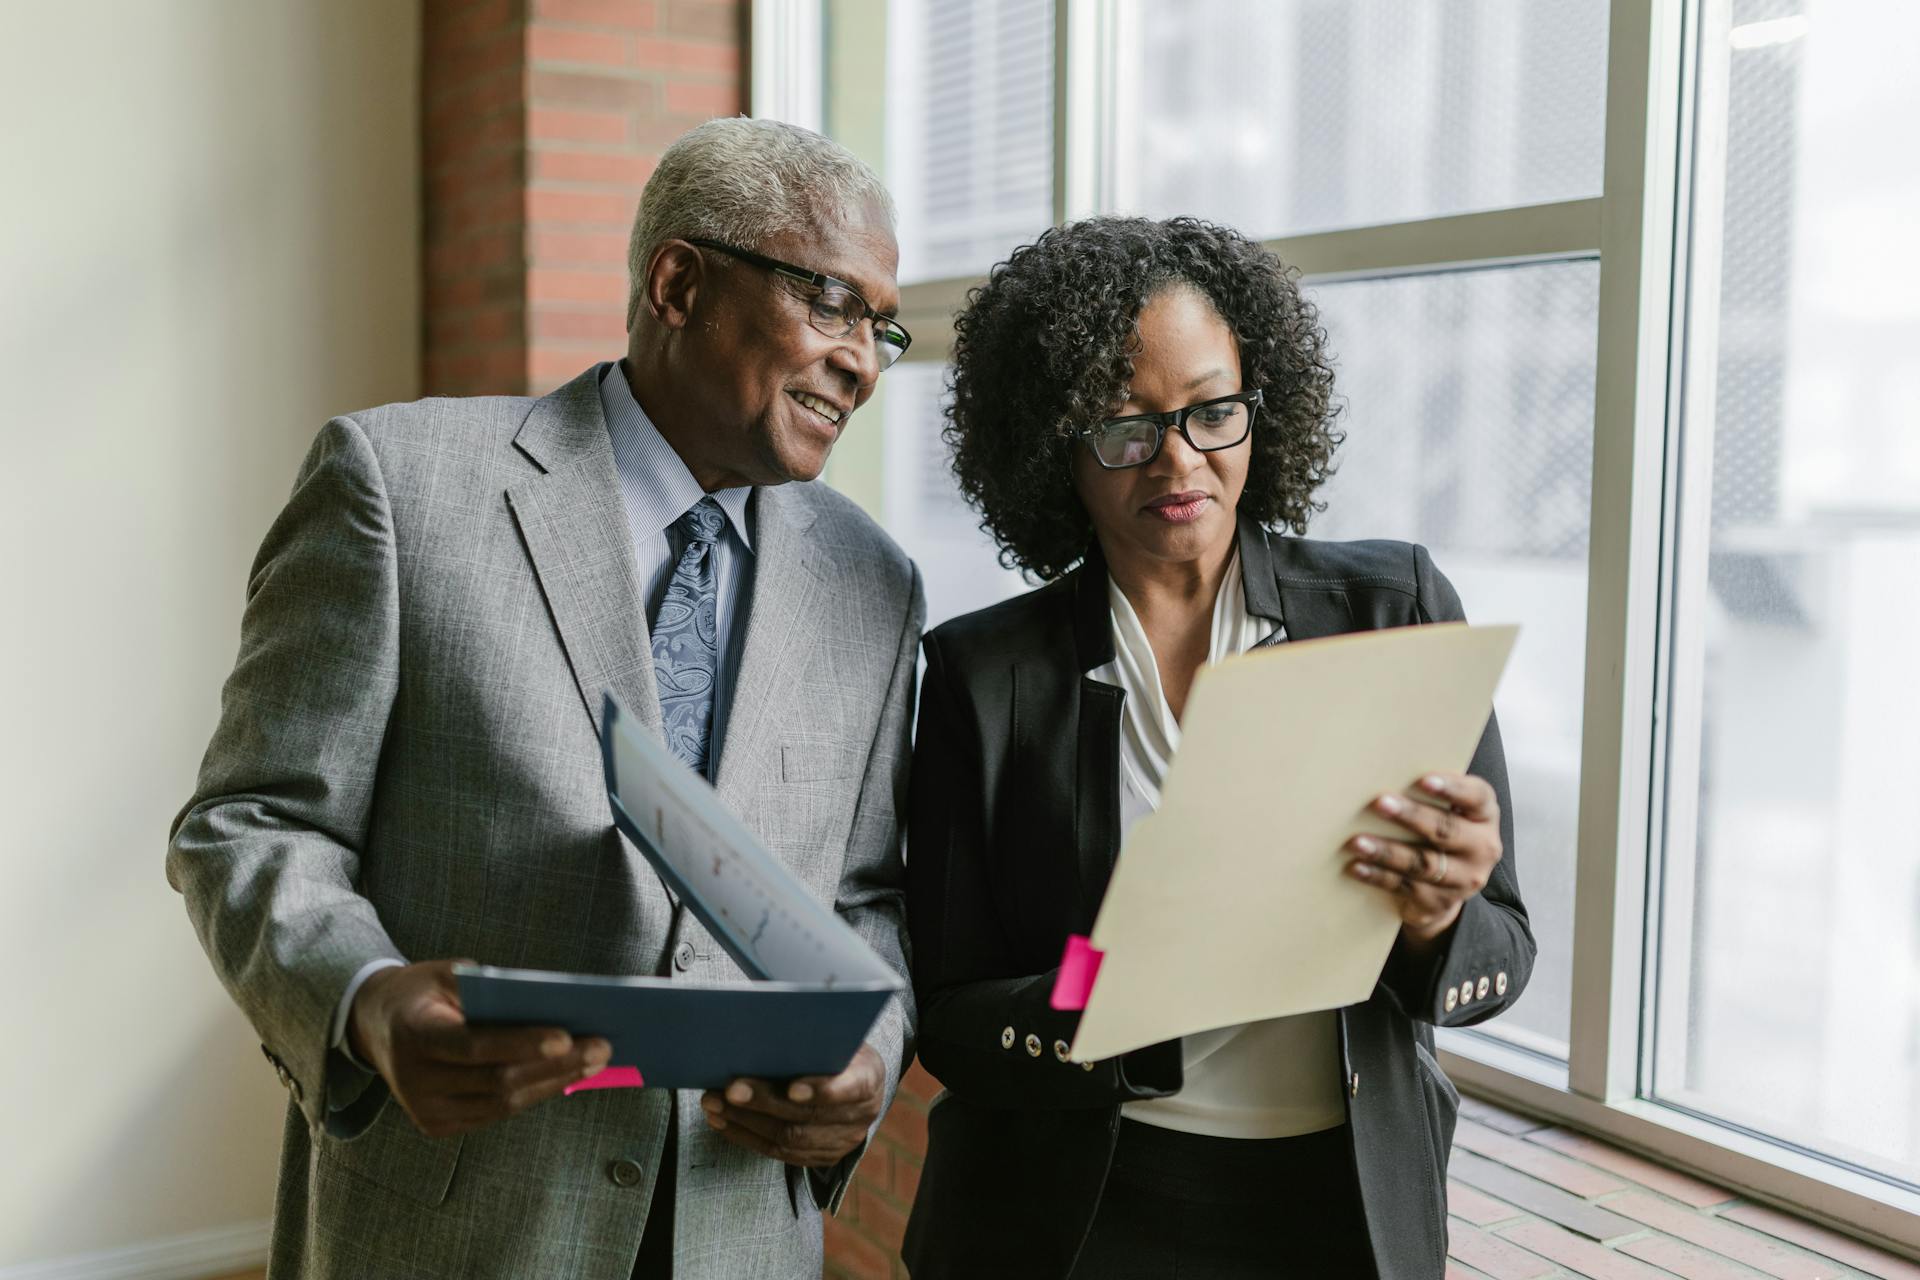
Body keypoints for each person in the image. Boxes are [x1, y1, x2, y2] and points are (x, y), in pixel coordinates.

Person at [167, 117, 924, 1280]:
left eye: (882, 327)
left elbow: (868, 898)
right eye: (832, 304)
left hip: (739, 1234)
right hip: (456, 1221)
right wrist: (366, 1000)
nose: (863, 361)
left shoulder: (877, 583)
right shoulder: (397, 487)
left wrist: (866, 1060)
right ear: (679, 281)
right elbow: (252, 823)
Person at [900, 216, 1535, 1279]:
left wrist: (1437, 919)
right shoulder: (985, 673)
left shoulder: (1393, 607)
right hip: (1070, 1217)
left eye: (1213, 411)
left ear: (1260, 405)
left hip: (1340, 1212)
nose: (1179, 457)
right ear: (1054, 437)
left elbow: (1502, 945)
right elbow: (954, 1013)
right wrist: (1118, 985)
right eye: (1125, 423)